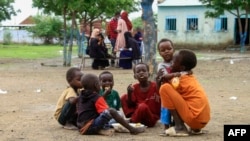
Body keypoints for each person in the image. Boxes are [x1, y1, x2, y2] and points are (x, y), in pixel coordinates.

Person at [159, 49, 210, 136]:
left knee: (164, 88)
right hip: (203, 120)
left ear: (182, 68)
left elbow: (165, 87)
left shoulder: (178, 79)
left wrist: (162, 78)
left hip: (194, 119)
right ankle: (196, 129)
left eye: (174, 61)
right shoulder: (189, 76)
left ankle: (179, 127)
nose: (171, 63)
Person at [77, 73, 145, 135]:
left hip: (80, 126)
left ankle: (103, 128)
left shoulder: (81, 95)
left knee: (113, 117)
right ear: (96, 85)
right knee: (111, 111)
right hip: (90, 127)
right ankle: (132, 129)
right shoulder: (97, 97)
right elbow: (107, 112)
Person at [120, 62, 161, 127]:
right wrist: (129, 93)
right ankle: (134, 118)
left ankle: (132, 121)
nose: (141, 73)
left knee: (142, 106)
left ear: (149, 74)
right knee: (124, 97)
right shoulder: (134, 87)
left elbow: (161, 98)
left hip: (151, 118)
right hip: (138, 114)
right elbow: (130, 104)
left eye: (144, 71)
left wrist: (159, 83)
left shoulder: (155, 86)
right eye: (138, 72)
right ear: (135, 76)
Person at [155, 38, 175, 135]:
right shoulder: (161, 65)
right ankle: (166, 126)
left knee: (177, 108)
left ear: (173, 49)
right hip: (166, 91)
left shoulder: (178, 61)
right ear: (160, 53)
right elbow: (165, 76)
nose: (166, 51)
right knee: (166, 108)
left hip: (177, 90)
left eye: (169, 49)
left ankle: (175, 125)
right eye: (163, 50)